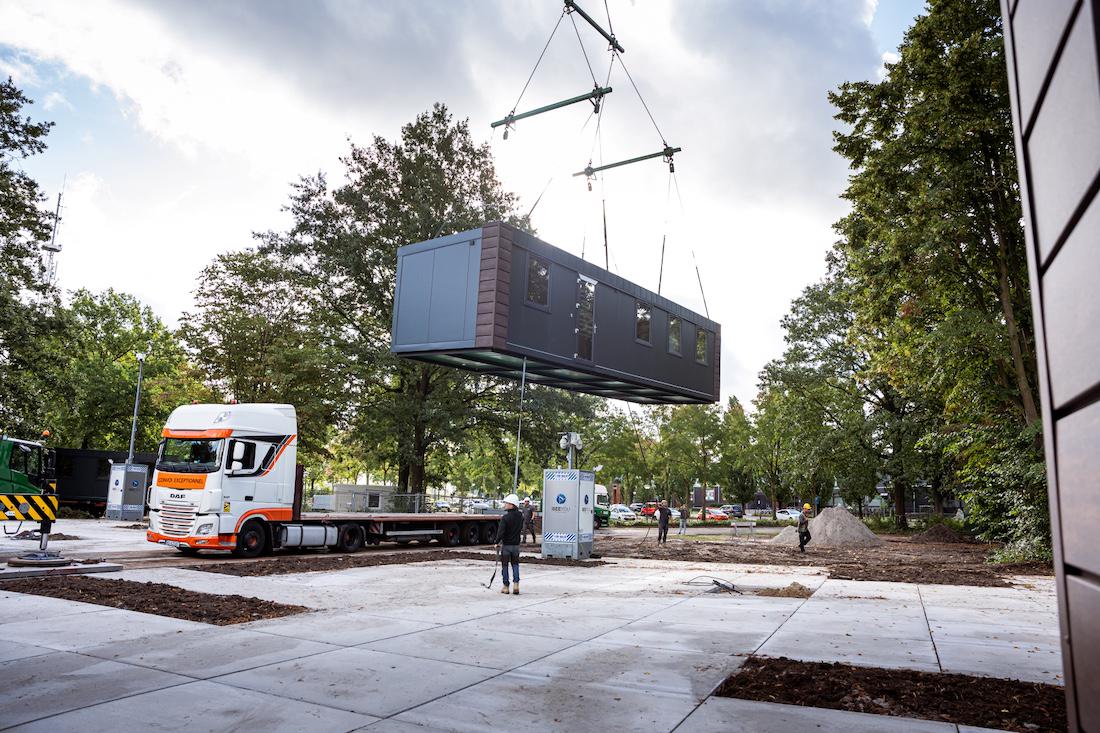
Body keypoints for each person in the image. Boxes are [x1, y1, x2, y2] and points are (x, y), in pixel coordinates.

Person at [496, 494, 524, 594]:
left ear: (512, 505)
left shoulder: (505, 517)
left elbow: (501, 531)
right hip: (516, 545)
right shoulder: (520, 516)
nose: (505, 505)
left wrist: (496, 542)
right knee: (515, 565)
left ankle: (506, 586)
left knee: (505, 566)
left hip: (506, 545)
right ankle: (516, 585)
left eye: (507, 503)